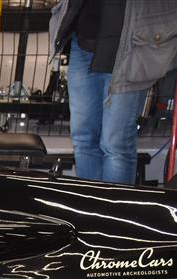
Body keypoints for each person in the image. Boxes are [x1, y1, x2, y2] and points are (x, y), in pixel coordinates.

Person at [50, 0, 177, 184]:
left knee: (116, 144)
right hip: (84, 41)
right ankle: (89, 200)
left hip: (132, 45)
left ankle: (114, 203)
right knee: (83, 138)